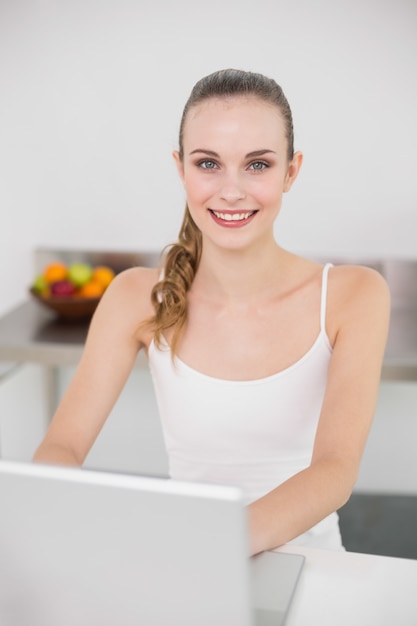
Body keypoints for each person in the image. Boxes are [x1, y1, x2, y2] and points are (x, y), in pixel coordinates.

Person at [33, 68, 390, 555]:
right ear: (180, 169)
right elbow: (61, 448)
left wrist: (208, 546)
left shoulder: (354, 295)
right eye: (208, 164)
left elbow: (335, 469)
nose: (231, 190)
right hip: (187, 567)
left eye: (258, 165)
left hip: (309, 571)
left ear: (291, 171)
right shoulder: (135, 297)